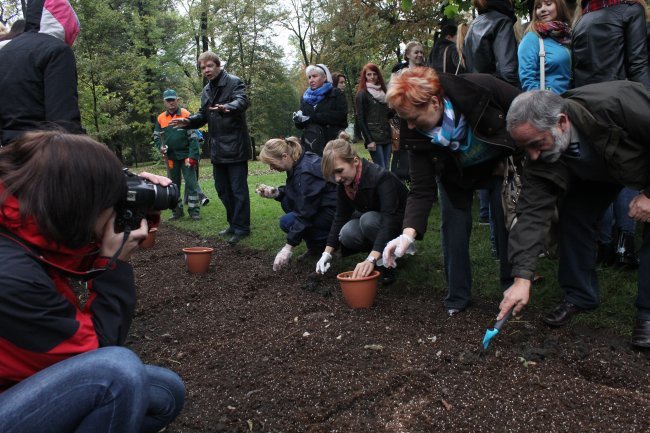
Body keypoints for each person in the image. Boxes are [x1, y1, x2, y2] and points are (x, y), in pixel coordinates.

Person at [0, 131, 185, 431]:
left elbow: (64, 256)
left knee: (164, 391)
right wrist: (115, 265)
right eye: (108, 200)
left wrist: (136, 203)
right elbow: (96, 352)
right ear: (78, 203)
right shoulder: (11, 278)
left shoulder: (18, 220)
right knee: (117, 374)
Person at [499, 83, 650, 348]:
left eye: (537, 144)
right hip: (595, 173)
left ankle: (648, 313)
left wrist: (649, 194)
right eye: (526, 148)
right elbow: (532, 214)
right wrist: (522, 277)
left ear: (562, 121)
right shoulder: (538, 156)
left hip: (639, 161)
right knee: (574, 216)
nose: (533, 155)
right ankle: (580, 295)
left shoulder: (617, 103)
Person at [382, 67, 519, 316]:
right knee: (453, 227)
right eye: (405, 119)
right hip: (456, 176)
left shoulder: (481, 87)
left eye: (413, 117)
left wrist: (516, 153)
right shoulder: (413, 132)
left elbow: (525, 110)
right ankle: (457, 296)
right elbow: (422, 189)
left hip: (497, 165)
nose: (409, 125)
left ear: (434, 102)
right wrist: (407, 235)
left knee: (504, 225)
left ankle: (512, 290)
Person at [171, 51, 252, 245]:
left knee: (238, 190)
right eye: (202, 68)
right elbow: (202, 115)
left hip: (235, 147)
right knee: (222, 189)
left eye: (209, 66)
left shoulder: (234, 82)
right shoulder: (206, 90)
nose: (206, 70)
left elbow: (242, 101)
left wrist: (227, 107)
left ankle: (242, 228)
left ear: (218, 65)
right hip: (217, 149)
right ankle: (233, 224)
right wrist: (188, 121)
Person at [317, 133, 408, 285]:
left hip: (399, 224)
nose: (337, 178)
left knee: (367, 220)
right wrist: (327, 253)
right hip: (377, 222)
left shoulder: (380, 177)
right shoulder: (345, 183)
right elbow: (340, 216)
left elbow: (389, 219)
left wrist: (371, 259)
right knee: (347, 233)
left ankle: (389, 259)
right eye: (333, 174)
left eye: (339, 170)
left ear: (355, 161)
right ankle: (379, 252)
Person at [0, 0, 83, 145]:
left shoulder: (5, 51)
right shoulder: (57, 50)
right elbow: (63, 123)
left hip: (9, 155)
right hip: (43, 154)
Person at [258, 137, 337, 271]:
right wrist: (277, 193)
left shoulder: (306, 171)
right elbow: (298, 194)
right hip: (321, 207)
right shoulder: (298, 161)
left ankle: (333, 244)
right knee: (289, 212)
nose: (271, 168)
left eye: (272, 163)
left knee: (287, 221)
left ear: (284, 156)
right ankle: (316, 247)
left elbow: (305, 212)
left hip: (334, 213)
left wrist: (288, 248)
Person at [153, 89, 201, 221]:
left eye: (173, 100)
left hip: (186, 156)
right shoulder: (161, 118)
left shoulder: (186, 114)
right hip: (171, 157)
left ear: (177, 100)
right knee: (173, 185)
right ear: (164, 102)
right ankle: (177, 211)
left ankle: (194, 211)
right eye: (168, 100)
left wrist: (193, 156)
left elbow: (193, 138)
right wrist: (160, 147)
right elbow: (156, 136)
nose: (171, 103)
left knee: (191, 184)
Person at [293, 64, 348, 157]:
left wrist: (312, 118)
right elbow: (301, 125)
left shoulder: (335, 93)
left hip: (333, 143)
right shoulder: (304, 98)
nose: (311, 80)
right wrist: (298, 120)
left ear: (324, 77)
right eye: (309, 77)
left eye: (315, 76)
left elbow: (341, 116)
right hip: (311, 144)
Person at [518, 0, 572, 93]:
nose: (542, 9)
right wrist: (543, 103)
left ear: (559, 6)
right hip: (548, 103)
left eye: (548, 4)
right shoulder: (532, 38)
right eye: (538, 6)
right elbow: (527, 79)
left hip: (570, 100)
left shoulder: (567, 36)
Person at [463, 0, 520, 87]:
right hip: (498, 93)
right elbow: (507, 72)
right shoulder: (502, 21)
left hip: (477, 92)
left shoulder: (473, 25)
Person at [355, 63, 392, 169]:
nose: (372, 77)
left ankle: (386, 186)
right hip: (373, 137)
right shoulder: (362, 94)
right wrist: (369, 140)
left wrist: (395, 107)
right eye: (369, 74)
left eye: (374, 74)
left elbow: (387, 115)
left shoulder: (384, 93)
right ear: (365, 76)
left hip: (386, 135)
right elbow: (360, 119)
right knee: (380, 169)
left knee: (386, 168)